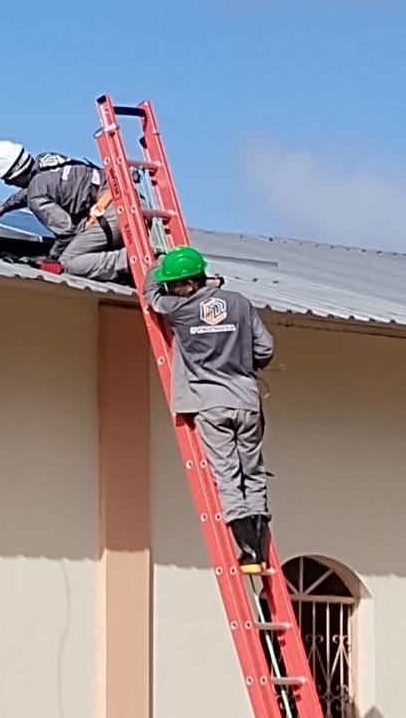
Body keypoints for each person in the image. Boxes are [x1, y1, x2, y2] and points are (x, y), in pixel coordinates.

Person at [143, 245, 275, 574]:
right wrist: (244, 362)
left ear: (188, 284)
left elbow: (150, 295)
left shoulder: (179, 309)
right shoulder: (240, 303)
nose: (171, 288)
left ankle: (247, 554)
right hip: (246, 401)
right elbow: (266, 348)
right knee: (253, 474)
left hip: (209, 404)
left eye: (174, 283)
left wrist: (155, 263)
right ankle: (258, 549)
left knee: (228, 477)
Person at [0, 141, 129, 282]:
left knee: (68, 262)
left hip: (113, 215)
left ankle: (127, 260)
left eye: (7, 180)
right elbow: (33, 189)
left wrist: (52, 258)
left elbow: (67, 232)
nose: (9, 184)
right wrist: (4, 207)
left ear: (13, 176)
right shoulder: (46, 162)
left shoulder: (36, 195)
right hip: (129, 200)